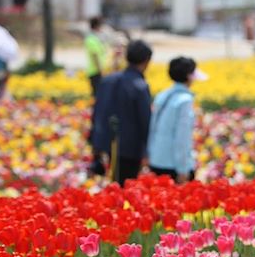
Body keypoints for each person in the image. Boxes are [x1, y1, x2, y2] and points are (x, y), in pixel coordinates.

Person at [89, 40, 153, 185]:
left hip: (105, 143)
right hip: (130, 148)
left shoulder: (107, 80)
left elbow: (97, 111)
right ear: (146, 61)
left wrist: (95, 141)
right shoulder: (140, 86)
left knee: (111, 186)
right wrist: (148, 151)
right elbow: (145, 121)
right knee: (125, 187)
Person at [147, 57, 206, 183]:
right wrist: (183, 169)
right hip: (173, 165)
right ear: (189, 76)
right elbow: (182, 138)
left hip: (156, 160)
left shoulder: (162, 95)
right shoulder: (185, 101)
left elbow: (152, 128)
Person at [85, 16, 107, 96]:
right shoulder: (91, 39)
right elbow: (95, 56)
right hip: (95, 72)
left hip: (98, 71)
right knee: (98, 96)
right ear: (97, 26)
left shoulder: (95, 38)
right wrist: (100, 71)